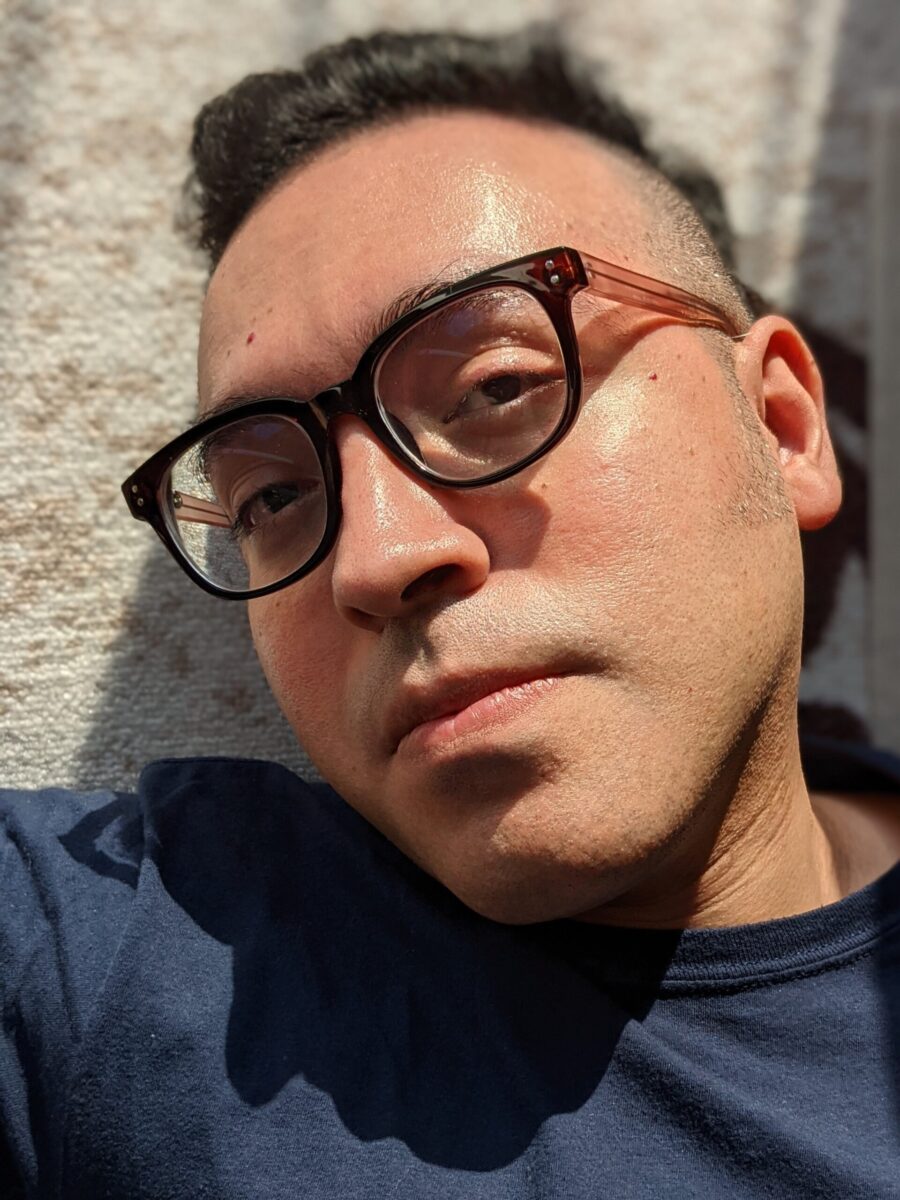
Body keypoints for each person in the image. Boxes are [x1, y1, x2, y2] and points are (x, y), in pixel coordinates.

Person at [2, 27, 899, 1199]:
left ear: (782, 428)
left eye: (495, 386)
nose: (377, 560)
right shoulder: (123, 957)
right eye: (274, 496)